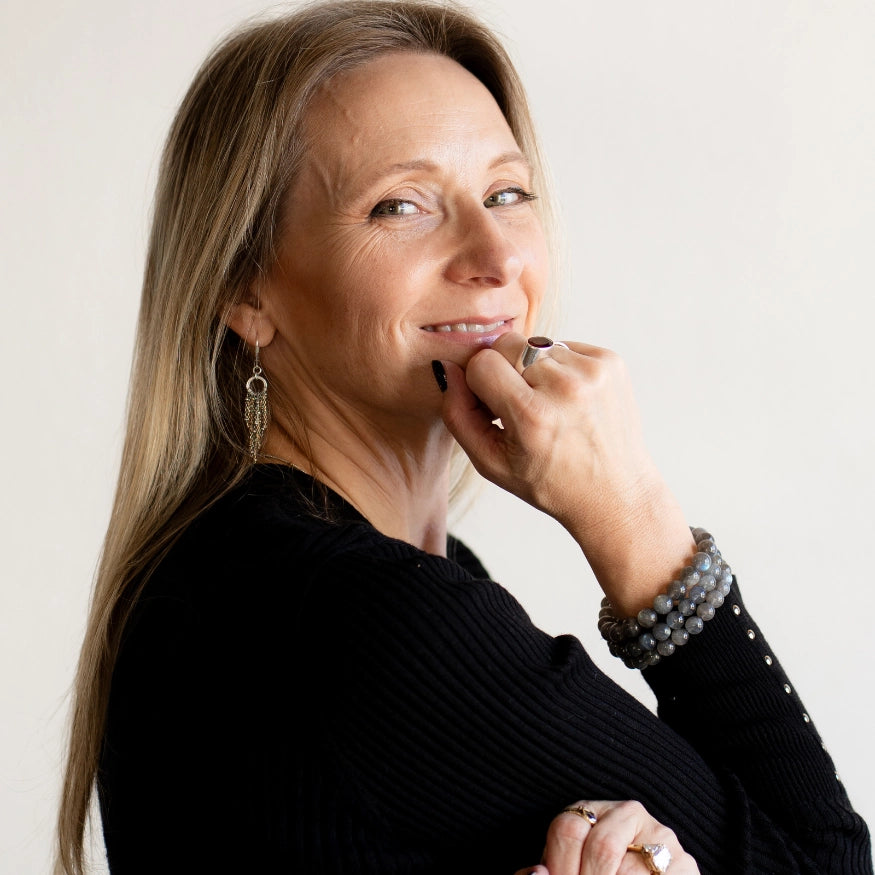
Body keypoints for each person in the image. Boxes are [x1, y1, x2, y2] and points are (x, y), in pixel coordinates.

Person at [56, 1, 872, 873]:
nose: (494, 256)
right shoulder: (375, 618)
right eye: (400, 205)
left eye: (506, 193)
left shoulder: (244, 567)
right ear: (246, 288)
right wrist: (633, 517)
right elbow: (826, 862)